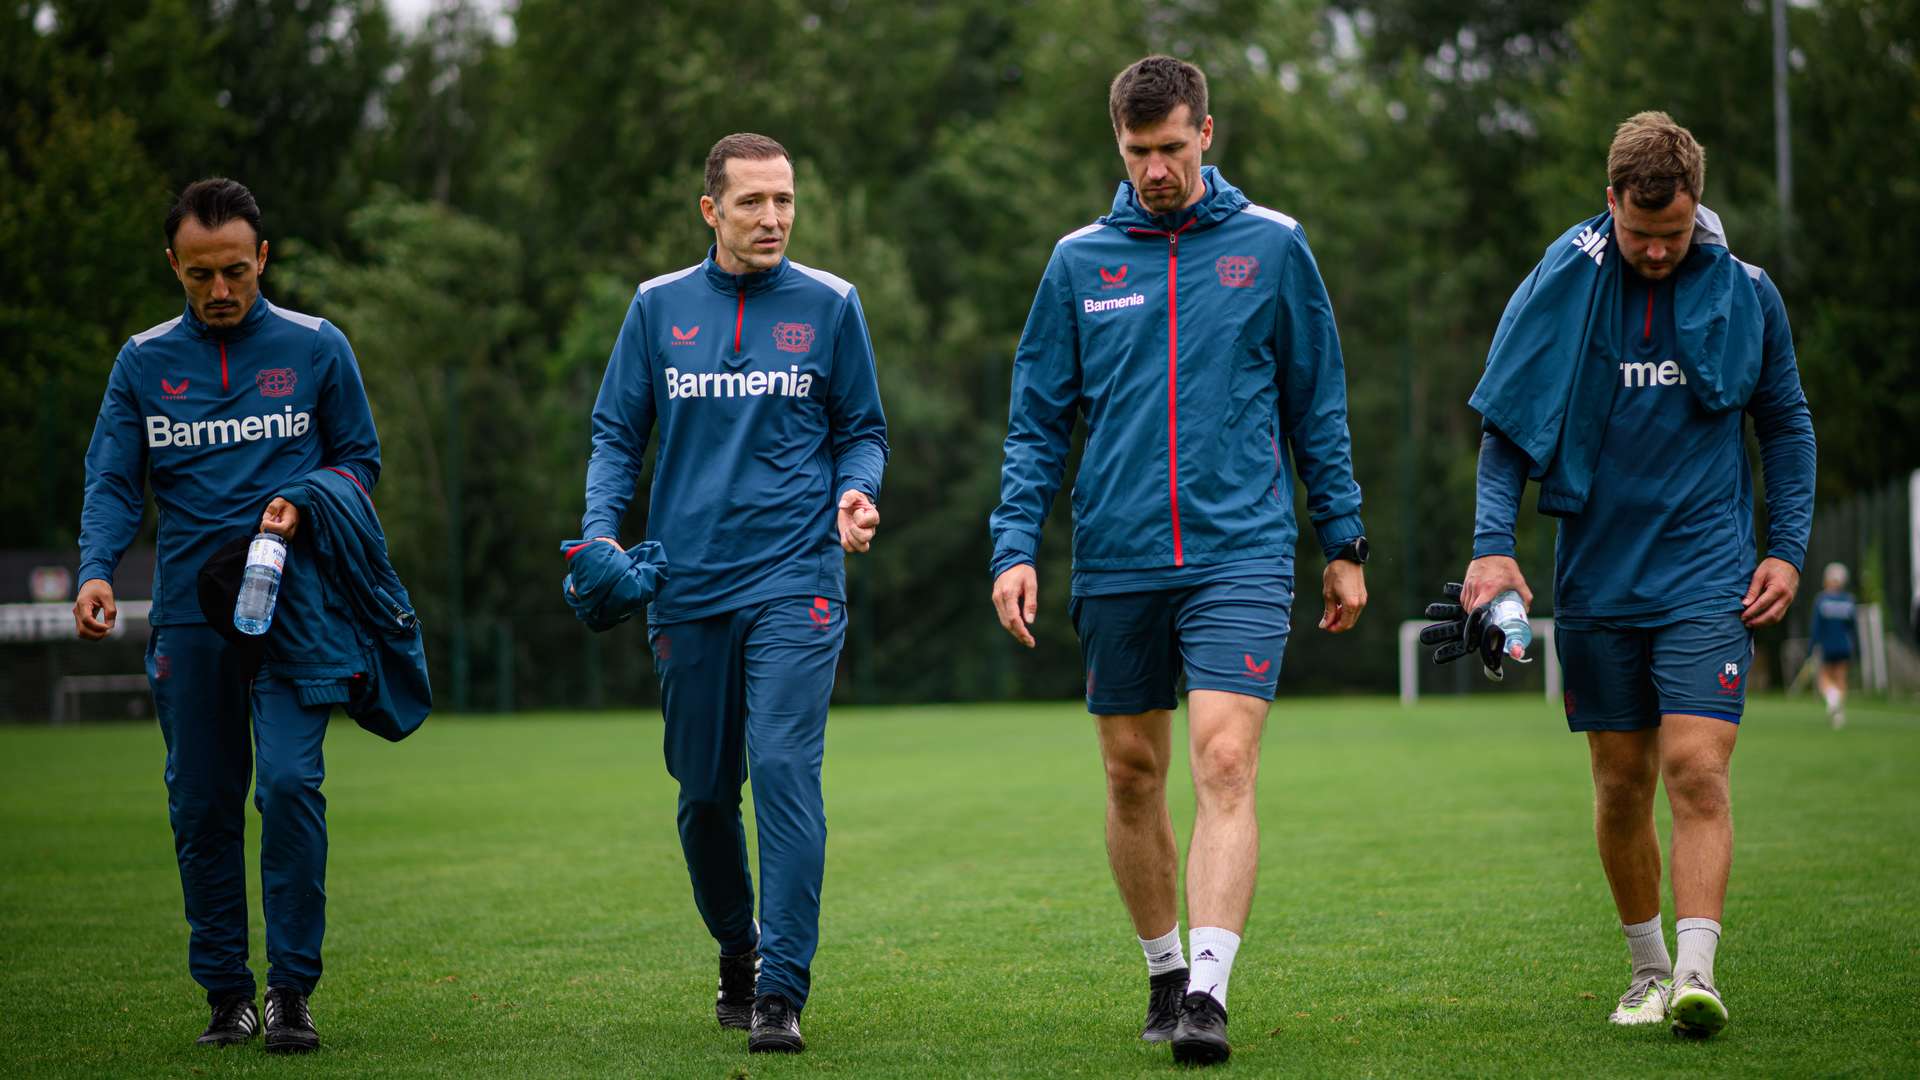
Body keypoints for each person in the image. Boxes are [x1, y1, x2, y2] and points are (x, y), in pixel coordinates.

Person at [988, 56, 1368, 1066]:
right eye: (1137, 151)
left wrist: (1343, 541)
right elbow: (1036, 427)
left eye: (1171, 146)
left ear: (1209, 133)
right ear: (1117, 146)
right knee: (1129, 774)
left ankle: (1207, 990)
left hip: (1241, 550)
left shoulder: (1274, 248)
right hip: (1117, 559)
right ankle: (1162, 969)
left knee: (1226, 761)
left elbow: (1315, 404)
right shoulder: (1077, 262)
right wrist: (1013, 546)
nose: (1156, 168)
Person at [1458, 112, 1815, 1038]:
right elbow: (1506, 431)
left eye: (1676, 233)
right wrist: (1491, 544)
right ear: (1609, 200)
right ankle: (1648, 969)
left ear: (1699, 207)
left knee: (1697, 771)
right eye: (1639, 233)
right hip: (1596, 579)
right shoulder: (1562, 287)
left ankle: (1698, 974)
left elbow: (1786, 424)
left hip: (1706, 574)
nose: (1658, 251)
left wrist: (1785, 546)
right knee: (1622, 784)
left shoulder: (1748, 294)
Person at [577, 133, 888, 1055]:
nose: (773, 219)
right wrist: (601, 533)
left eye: (785, 200)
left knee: (787, 769)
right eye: (752, 202)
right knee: (705, 795)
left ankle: (782, 989)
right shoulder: (656, 308)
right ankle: (739, 949)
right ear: (710, 210)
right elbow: (614, 435)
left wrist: (855, 492)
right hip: (686, 584)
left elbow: (861, 429)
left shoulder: (832, 304)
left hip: (798, 579)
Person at [74, 177, 383, 1052]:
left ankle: (290, 990)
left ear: (264, 260)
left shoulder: (318, 349)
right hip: (188, 620)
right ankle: (226, 993)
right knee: (202, 806)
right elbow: (111, 480)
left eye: (236, 272)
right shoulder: (142, 362)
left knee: (290, 786)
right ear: (174, 264)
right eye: (200, 275)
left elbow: (360, 459)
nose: (220, 291)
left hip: (295, 614)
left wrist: (302, 500)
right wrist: (96, 569)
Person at [1810, 563, 1857, 728]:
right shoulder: (1849, 600)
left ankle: (1832, 698)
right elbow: (1853, 628)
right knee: (1841, 678)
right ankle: (1839, 715)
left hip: (1828, 646)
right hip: (1845, 646)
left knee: (1824, 678)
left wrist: (1811, 648)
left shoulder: (1821, 600)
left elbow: (1816, 628)